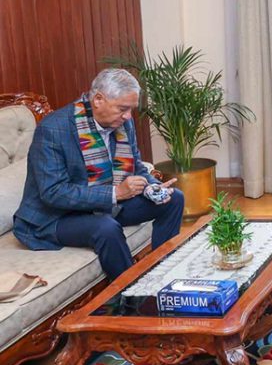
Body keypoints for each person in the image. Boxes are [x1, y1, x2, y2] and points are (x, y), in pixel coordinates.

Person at [13, 69, 185, 280]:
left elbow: (136, 167)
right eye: (123, 109)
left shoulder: (123, 123)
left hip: (100, 206)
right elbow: (53, 192)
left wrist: (151, 187)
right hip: (56, 216)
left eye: (131, 109)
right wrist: (116, 193)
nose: (128, 116)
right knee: (105, 227)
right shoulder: (53, 129)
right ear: (98, 100)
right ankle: (132, 291)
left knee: (174, 199)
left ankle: (163, 275)